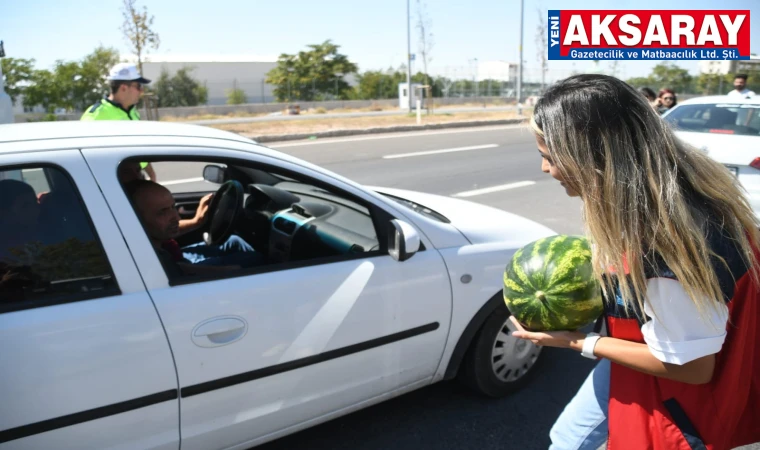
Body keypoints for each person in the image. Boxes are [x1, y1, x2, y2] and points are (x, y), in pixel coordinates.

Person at [514, 74, 760, 450]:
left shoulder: (668, 241)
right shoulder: (664, 196)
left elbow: (692, 368)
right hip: (637, 357)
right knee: (566, 439)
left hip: (677, 399)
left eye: (549, 157)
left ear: (592, 156)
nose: (546, 170)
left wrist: (578, 341)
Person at [124, 179, 264, 275]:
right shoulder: (146, 259)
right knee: (256, 260)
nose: (177, 218)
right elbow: (179, 271)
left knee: (234, 241)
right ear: (134, 219)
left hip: (177, 258)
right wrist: (230, 270)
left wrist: (196, 221)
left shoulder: (154, 245)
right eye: (162, 212)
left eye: (173, 207)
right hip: (180, 266)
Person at [81, 63, 157, 181]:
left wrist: (152, 175)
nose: (141, 91)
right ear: (123, 88)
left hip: (132, 176)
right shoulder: (95, 115)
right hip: (111, 181)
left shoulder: (133, 112)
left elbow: (138, 148)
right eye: (138, 86)